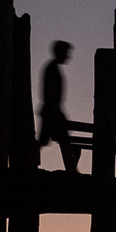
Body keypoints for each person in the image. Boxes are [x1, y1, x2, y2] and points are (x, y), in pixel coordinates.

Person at [38, 40, 80, 174]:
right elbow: (50, 91)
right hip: (52, 111)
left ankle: (72, 170)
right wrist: (54, 110)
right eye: (66, 53)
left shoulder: (52, 68)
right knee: (55, 141)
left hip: (52, 110)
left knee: (59, 141)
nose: (68, 56)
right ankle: (72, 170)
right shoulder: (52, 69)